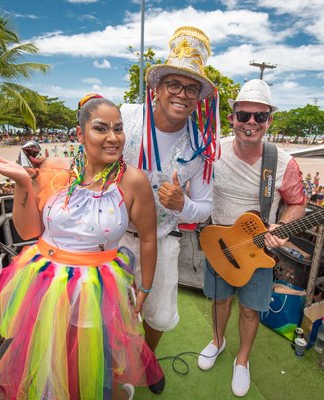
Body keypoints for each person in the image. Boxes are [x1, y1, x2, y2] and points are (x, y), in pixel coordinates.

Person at [0, 94, 162, 399]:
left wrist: (145, 290)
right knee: (48, 353)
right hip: (42, 281)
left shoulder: (133, 181)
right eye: (101, 128)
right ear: (80, 134)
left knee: (90, 356)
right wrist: (22, 182)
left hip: (98, 286)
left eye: (118, 128)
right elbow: (29, 230)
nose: (113, 138)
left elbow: (149, 238)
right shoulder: (54, 170)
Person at [119, 27, 219, 386]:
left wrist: (182, 204)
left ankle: (146, 361)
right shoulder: (126, 117)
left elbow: (205, 207)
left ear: (198, 97)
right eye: (173, 84)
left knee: (158, 314)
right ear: (157, 89)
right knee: (107, 308)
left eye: (191, 88)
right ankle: (113, 366)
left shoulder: (201, 144)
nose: (181, 94)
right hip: (111, 236)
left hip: (161, 239)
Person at [197, 79, 305, 397]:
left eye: (260, 117)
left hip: (258, 252)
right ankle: (218, 341)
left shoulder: (282, 163)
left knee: (249, 309)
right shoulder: (213, 151)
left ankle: (242, 360)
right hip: (219, 244)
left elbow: (297, 203)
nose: (251, 123)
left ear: (269, 120)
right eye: (244, 115)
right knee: (219, 300)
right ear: (233, 117)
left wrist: (281, 227)